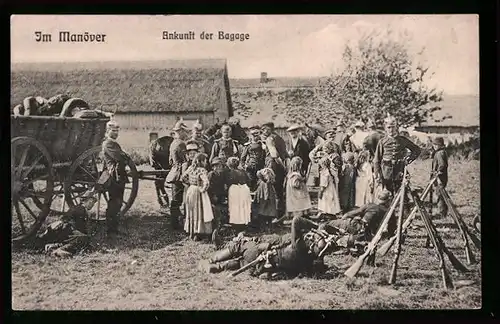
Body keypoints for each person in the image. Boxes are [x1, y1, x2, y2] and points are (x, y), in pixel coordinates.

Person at [198, 215, 332, 278]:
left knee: (239, 246)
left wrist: (316, 228)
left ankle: (213, 258)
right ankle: (217, 268)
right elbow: (320, 260)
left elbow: (297, 220)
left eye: (313, 238)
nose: (311, 236)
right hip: (263, 266)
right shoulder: (309, 260)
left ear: (311, 244)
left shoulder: (299, 245)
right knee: (241, 262)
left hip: (260, 252)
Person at [319, 189, 394, 243]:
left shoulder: (370, 205)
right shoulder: (390, 212)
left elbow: (348, 214)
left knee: (325, 225)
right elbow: (392, 229)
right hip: (366, 233)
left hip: (354, 226)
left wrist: (343, 219)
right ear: (388, 201)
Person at [373, 114, 422, 196]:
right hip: (386, 171)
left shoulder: (402, 140)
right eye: (389, 127)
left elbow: (417, 150)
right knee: (387, 194)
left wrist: (408, 159)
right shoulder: (382, 141)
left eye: (393, 127)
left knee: (402, 193)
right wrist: (377, 173)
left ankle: (403, 207)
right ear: (385, 128)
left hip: (399, 170)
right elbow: (377, 159)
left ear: (396, 127)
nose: (391, 129)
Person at [101, 118, 129, 237]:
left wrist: (124, 156)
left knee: (117, 203)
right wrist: (125, 156)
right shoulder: (109, 143)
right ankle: (111, 231)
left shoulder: (112, 143)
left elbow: (123, 156)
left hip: (118, 175)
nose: (116, 133)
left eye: (117, 130)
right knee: (114, 203)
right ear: (108, 131)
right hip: (114, 176)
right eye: (113, 130)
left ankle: (114, 229)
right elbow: (121, 158)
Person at [180, 153, 214, 241]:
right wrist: (202, 189)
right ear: (201, 161)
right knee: (199, 212)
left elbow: (182, 178)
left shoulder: (190, 168)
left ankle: (191, 232)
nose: (206, 162)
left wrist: (190, 184)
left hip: (190, 190)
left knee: (191, 211)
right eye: (205, 160)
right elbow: (206, 182)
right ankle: (198, 233)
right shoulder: (201, 170)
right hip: (198, 192)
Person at [167, 119, 190, 230]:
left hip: (174, 171)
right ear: (180, 131)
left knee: (175, 198)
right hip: (180, 173)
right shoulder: (181, 144)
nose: (186, 134)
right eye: (185, 131)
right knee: (177, 199)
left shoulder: (173, 143)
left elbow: (170, 161)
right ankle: (175, 224)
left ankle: (174, 222)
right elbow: (186, 160)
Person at [261, 122, 288, 217]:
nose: (264, 131)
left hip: (273, 165)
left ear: (270, 129)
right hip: (280, 164)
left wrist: (282, 166)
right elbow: (285, 153)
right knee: (279, 190)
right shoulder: (280, 138)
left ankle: (275, 214)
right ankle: (281, 212)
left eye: (266, 129)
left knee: (273, 189)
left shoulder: (270, 139)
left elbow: (274, 155)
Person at [226, 157, 252, 230]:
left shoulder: (231, 172)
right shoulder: (243, 171)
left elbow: (228, 182)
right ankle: (243, 223)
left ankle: (236, 224)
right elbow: (248, 181)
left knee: (235, 207)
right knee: (243, 207)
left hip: (235, 190)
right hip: (244, 189)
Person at [240, 126, 266, 191]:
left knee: (259, 184)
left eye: (257, 135)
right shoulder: (248, 146)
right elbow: (242, 158)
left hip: (260, 166)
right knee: (250, 183)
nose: (255, 137)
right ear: (251, 136)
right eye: (253, 135)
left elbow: (266, 155)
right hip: (250, 167)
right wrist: (244, 166)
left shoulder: (262, 144)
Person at [431, 137, 449, 218]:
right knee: (440, 194)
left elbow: (442, 165)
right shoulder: (440, 152)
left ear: (440, 145)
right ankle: (443, 211)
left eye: (436, 145)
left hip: (440, 178)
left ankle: (442, 213)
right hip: (441, 177)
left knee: (439, 194)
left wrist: (437, 173)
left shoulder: (440, 153)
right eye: (434, 144)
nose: (434, 146)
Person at [208, 157, 229, 228]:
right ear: (213, 167)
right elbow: (209, 187)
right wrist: (213, 195)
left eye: (220, 166)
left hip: (220, 195)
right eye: (216, 166)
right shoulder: (211, 174)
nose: (218, 168)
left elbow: (224, 185)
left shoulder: (222, 174)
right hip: (212, 195)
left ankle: (220, 222)